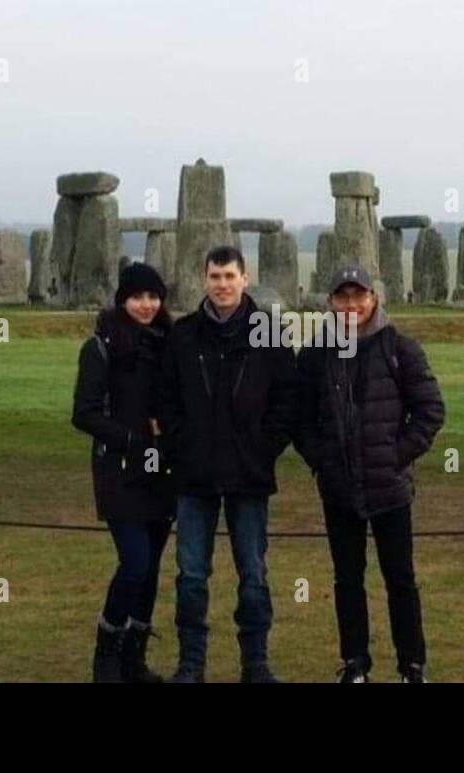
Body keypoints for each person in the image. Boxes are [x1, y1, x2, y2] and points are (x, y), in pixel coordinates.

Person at [296, 266, 445, 683]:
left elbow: (431, 410)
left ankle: (412, 665)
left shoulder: (400, 348)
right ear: (330, 303)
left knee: (400, 579)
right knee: (347, 580)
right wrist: (322, 461)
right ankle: (355, 663)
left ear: (373, 299)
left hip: (389, 486)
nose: (351, 306)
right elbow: (299, 418)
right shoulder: (315, 354)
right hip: (339, 486)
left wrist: (397, 455)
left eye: (358, 297)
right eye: (342, 298)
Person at [158, 246, 298, 684]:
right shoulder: (182, 335)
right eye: (214, 276)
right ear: (203, 279)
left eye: (229, 276)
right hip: (194, 473)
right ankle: (191, 663)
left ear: (245, 277)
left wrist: (263, 446)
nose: (222, 284)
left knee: (253, 574)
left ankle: (255, 664)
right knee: (191, 575)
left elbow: (288, 400)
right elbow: (166, 400)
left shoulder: (269, 333)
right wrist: (181, 444)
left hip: (248, 473)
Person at [72, 263, 176, 683]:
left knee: (150, 568)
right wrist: (132, 439)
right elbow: (84, 414)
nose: (147, 305)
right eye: (138, 297)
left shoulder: (168, 343)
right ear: (122, 300)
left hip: (159, 469)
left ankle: (133, 659)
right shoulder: (100, 347)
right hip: (119, 469)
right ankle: (106, 656)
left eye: (153, 297)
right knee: (134, 561)